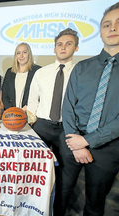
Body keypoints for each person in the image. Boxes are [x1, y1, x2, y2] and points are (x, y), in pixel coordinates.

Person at [57, 1, 119, 215]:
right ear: (100, 30)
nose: (112, 28)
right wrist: (75, 141)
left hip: (107, 148)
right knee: (59, 194)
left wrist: (87, 141)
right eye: (106, 24)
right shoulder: (82, 67)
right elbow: (68, 106)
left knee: (95, 203)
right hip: (70, 142)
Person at [27, 28, 78, 156]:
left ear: (76, 48)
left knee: (65, 170)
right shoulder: (41, 73)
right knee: (36, 166)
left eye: (69, 44)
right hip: (42, 126)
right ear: (54, 49)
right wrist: (32, 120)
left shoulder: (79, 74)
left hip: (67, 128)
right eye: (60, 44)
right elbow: (33, 100)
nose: (63, 47)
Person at [2, 42, 41, 111]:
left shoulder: (38, 71)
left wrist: (28, 107)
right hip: (12, 114)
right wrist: (13, 110)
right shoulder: (10, 72)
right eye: (18, 53)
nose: (21, 56)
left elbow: (41, 94)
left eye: (24, 52)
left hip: (31, 114)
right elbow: (5, 95)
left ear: (29, 54)